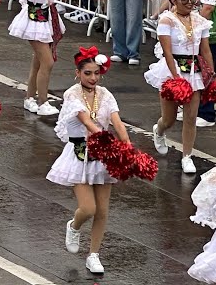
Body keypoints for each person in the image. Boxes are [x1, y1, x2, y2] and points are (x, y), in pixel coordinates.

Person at [48, 48, 129, 276]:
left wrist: (127, 147)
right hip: (80, 154)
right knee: (88, 208)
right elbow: (86, 121)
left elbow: (117, 122)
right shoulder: (72, 94)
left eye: (96, 73)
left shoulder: (105, 94)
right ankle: (73, 226)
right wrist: (102, 138)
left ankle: (93, 255)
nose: (93, 78)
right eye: (87, 73)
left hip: (101, 156)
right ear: (78, 73)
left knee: (102, 210)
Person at [0, 0, 92, 117]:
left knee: (38, 62)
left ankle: (29, 98)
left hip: (50, 17)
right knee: (47, 62)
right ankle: (42, 102)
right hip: (33, 18)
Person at [147, 0, 214, 175]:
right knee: (168, 119)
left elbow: (206, 50)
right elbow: (167, 52)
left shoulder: (200, 20)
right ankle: (159, 131)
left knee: (191, 117)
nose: (188, 2)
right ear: (173, 0)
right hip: (172, 69)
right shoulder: (167, 20)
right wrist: (176, 77)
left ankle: (187, 156)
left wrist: (211, 74)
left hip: (194, 70)